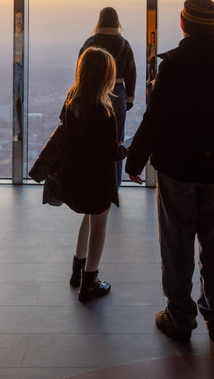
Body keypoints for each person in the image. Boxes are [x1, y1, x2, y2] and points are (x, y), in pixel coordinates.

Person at [126, 0, 214, 343]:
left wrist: (135, 160)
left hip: (178, 166)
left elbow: (157, 117)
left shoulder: (174, 66)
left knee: (177, 242)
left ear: (183, 25)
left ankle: (179, 316)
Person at [62, 47, 128, 302]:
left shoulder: (72, 99)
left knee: (88, 219)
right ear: (105, 77)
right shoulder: (103, 110)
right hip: (98, 178)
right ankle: (90, 281)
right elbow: (108, 151)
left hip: (78, 174)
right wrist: (127, 150)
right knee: (99, 224)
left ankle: (77, 271)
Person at [79, 8, 136, 188]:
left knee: (90, 140)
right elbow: (131, 73)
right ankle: (113, 185)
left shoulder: (90, 42)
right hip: (117, 94)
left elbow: (80, 73)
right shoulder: (124, 44)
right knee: (116, 143)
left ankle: (92, 184)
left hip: (91, 94)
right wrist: (129, 98)